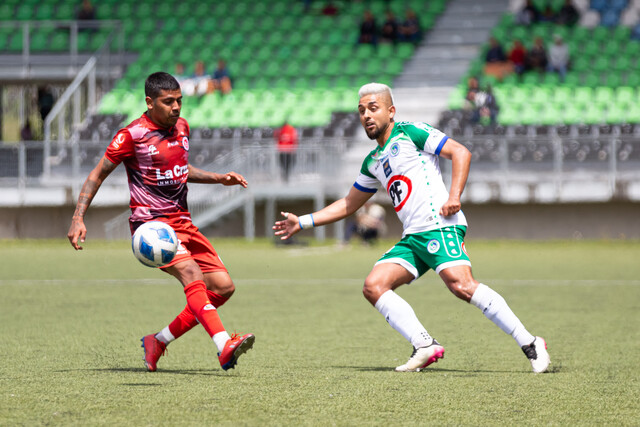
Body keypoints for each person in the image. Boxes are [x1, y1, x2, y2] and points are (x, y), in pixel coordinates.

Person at [273, 83, 550, 373]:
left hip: (438, 225)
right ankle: (424, 345)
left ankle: (530, 342)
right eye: (361, 110)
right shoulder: (373, 162)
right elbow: (348, 204)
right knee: (374, 286)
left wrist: (454, 196)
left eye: (373, 108)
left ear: (391, 112)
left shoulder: (411, 132)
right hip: (413, 237)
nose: (366, 115)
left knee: (461, 285)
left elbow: (460, 153)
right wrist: (303, 221)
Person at [67, 72, 255, 372]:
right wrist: (78, 217)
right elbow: (97, 174)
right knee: (192, 273)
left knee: (223, 288)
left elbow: (181, 168)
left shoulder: (182, 127)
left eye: (180, 100)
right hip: (152, 226)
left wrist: (218, 178)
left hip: (184, 222)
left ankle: (159, 340)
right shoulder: (131, 135)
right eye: (169, 102)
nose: (177, 107)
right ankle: (223, 346)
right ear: (150, 102)